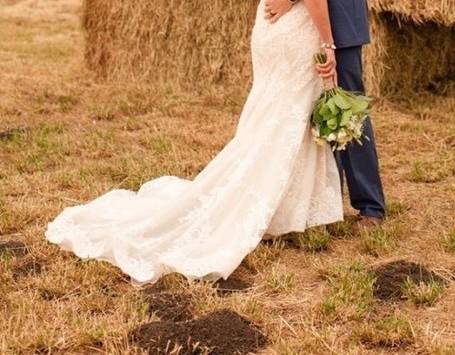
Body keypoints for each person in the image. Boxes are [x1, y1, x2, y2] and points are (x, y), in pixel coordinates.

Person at [46, 0, 345, 284]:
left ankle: (280, 209)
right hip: (294, 29)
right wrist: (329, 44)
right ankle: (269, 208)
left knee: (269, 119)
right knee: (284, 119)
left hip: (270, 24)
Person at [265, 0, 386, 228]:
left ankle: (370, 204)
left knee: (348, 109)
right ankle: (328, 201)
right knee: (312, 109)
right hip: (303, 24)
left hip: (339, 20)